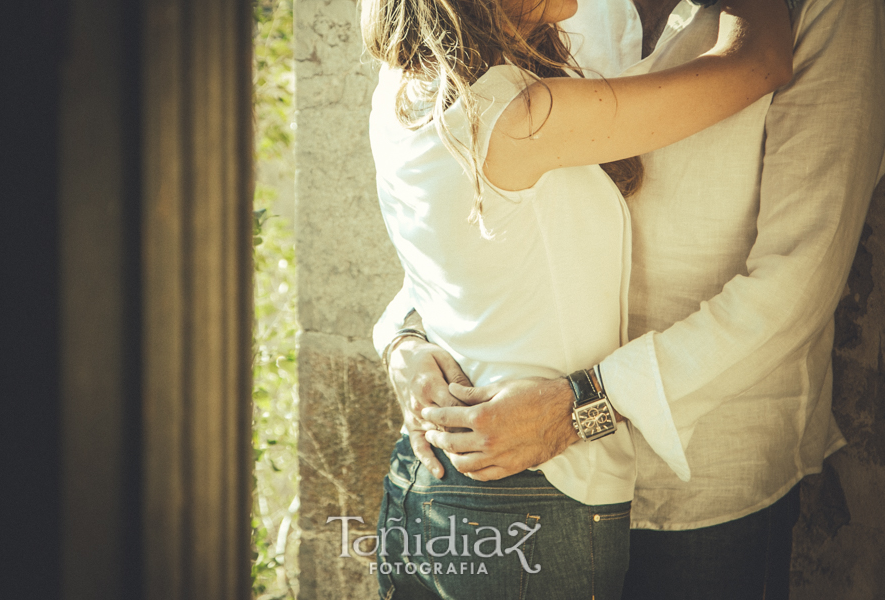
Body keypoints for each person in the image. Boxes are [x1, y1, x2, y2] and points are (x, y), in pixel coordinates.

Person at [376, 0, 885, 599]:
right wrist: (406, 335)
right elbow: (758, 64)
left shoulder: (415, 86)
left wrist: (583, 404)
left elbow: (798, 281)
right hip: (529, 475)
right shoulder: (520, 81)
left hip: (702, 481)